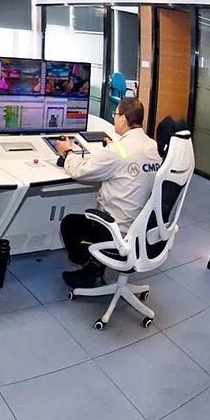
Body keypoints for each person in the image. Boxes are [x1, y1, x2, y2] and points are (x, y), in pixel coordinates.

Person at [56, 97, 162, 289]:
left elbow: (81, 171)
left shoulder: (118, 150)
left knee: (69, 224)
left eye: (116, 114)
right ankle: (95, 266)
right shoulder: (152, 146)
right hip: (141, 229)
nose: (115, 118)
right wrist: (113, 147)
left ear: (123, 119)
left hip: (117, 230)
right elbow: (128, 159)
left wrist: (67, 152)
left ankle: (91, 266)